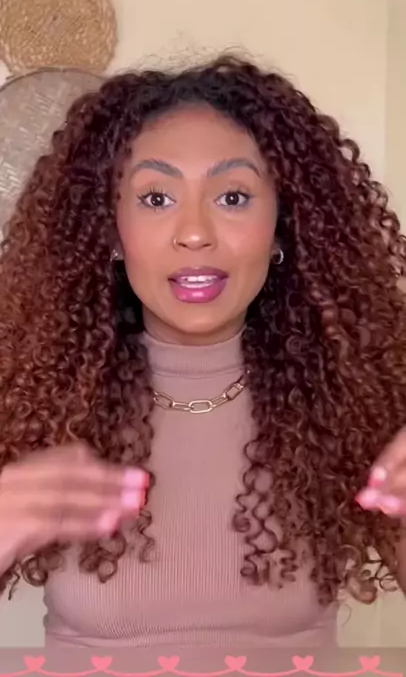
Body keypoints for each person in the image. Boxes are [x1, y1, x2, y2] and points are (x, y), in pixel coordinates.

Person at [0, 54, 406, 652]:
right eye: (156, 198)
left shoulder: (355, 397)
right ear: (111, 232)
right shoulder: (32, 399)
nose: (194, 233)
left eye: (233, 197)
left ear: (283, 227)